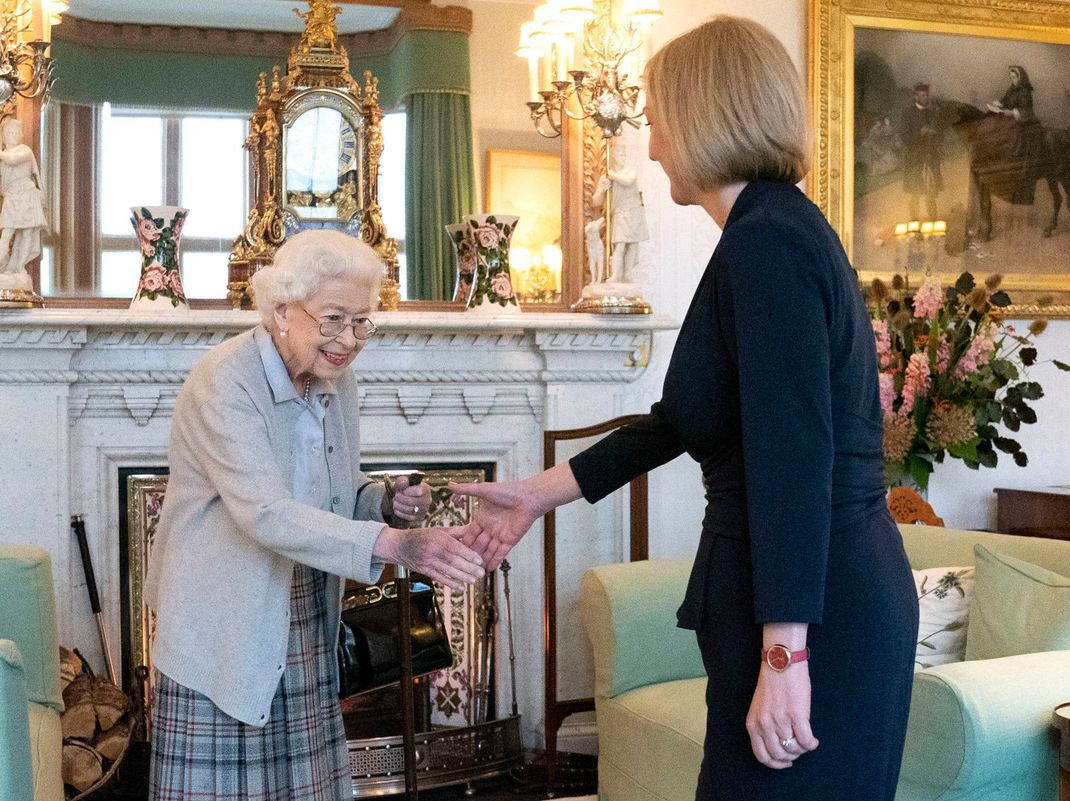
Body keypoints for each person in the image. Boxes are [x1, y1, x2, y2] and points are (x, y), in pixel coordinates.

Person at [452, 16, 917, 801]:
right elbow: (682, 420)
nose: (655, 140)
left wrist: (785, 655)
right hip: (805, 598)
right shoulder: (762, 232)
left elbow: (793, 457)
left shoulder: (767, 240)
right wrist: (535, 493)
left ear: (706, 115)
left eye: (659, 115)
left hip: (821, 609)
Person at [144, 229, 485, 801]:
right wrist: (397, 545)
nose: (348, 339)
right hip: (224, 619)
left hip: (301, 608)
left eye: (361, 322)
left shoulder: (334, 380)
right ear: (282, 310)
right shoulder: (224, 381)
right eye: (333, 318)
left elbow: (331, 488)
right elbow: (267, 513)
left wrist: (382, 500)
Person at [590, 141, 649, 283]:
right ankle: (616, 275)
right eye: (620, 154)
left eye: (624, 154)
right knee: (620, 245)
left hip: (634, 212)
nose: (623, 157)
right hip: (620, 213)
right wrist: (603, 190)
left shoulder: (629, 172)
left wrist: (613, 176)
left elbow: (628, 181)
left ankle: (627, 274)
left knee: (633, 245)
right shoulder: (606, 177)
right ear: (614, 156)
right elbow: (596, 202)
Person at [0, 118, 47, 278]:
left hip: (27, 194)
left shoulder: (24, 150)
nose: (12, 135)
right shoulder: (3, 155)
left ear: (20, 135)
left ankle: (19, 267)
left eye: (15, 132)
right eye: (8, 132)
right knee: (7, 232)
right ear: (3, 135)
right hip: (12, 196)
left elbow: (13, 160)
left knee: (27, 232)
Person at [900, 83, 944, 220]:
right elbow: (905, 137)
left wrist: (935, 134)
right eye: (923, 95)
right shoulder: (907, 114)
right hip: (915, 160)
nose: (926, 98)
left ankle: (933, 222)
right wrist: (920, 133)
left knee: (931, 193)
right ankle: (914, 224)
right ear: (915, 96)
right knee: (915, 194)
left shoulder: (932, 113)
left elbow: (941, 137)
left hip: (930, 158)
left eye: (927, 95)